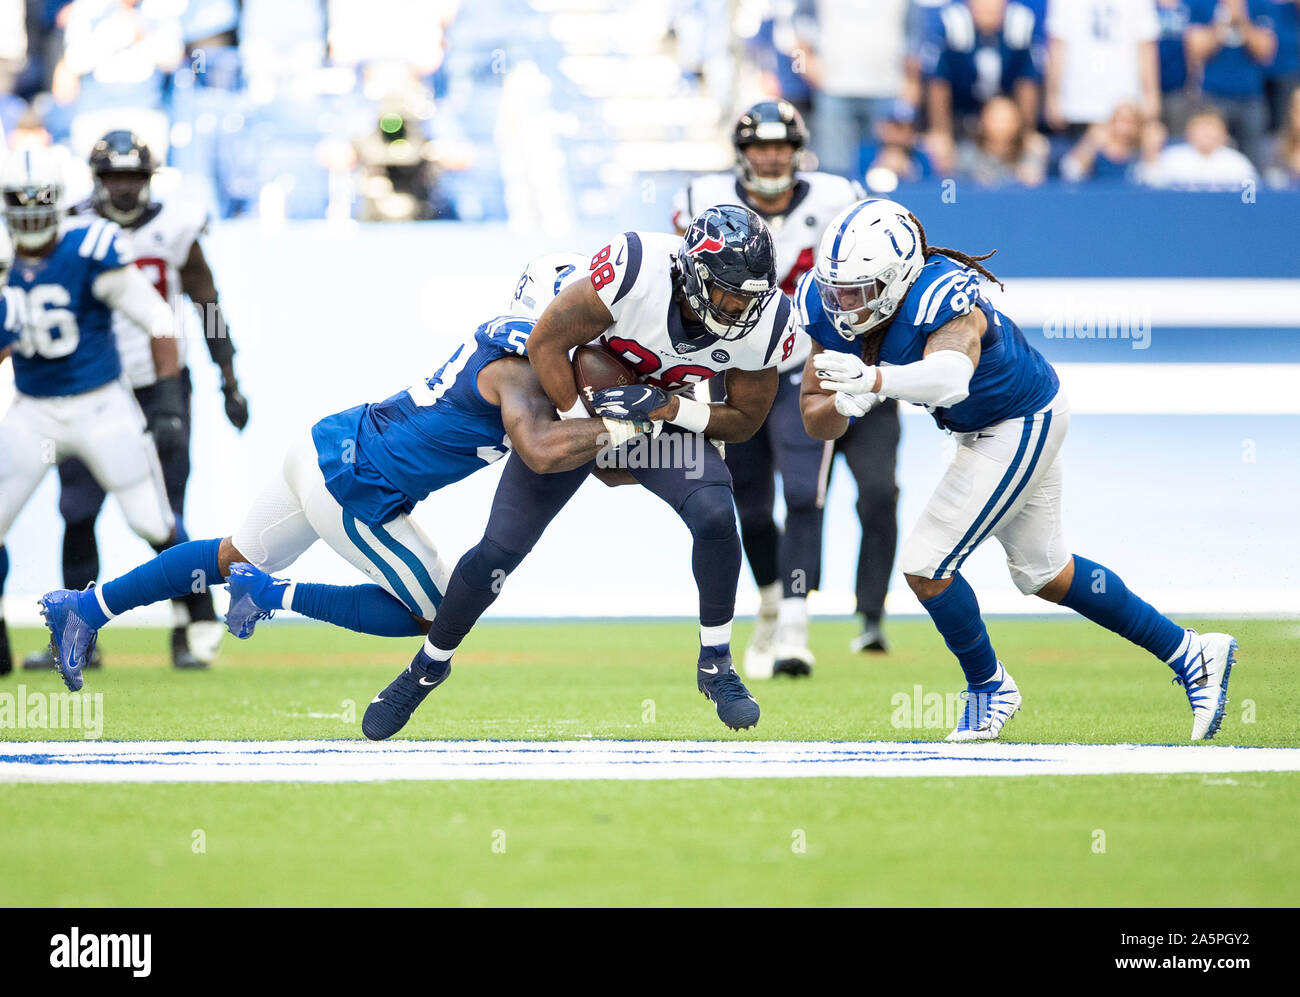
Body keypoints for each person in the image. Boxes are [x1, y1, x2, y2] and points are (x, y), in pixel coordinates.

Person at [37, 253, 652, 693]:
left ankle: (85, 610)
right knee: (435, 616)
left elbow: (580, 455)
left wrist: (626, 430)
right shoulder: (519, 368)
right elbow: (543, 451)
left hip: (327, 443)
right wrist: (634, 423)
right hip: (358, 488)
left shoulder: (510, 348)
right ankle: (269, 594)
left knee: (230, 553)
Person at [795, 197, 1237, 742]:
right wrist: (841, 405)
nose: (842, 304)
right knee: (1045, 574)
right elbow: (815, 418)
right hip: (987, 426)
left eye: (858, 291)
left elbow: (952, 376)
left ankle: (988, 687)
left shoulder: (941, 293)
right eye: (834, 288)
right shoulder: (822, 301)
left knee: (925, 564)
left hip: (1018, 418)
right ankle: (1192, 652)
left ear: (897, 277)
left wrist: (876, 381)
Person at [359, 205, 793, 740]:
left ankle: (716, 664)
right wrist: (583, 425)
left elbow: (746, 421)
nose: (739, 307)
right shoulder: (636, 270)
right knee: (499, 550)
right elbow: (546, 342)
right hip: (577, 406)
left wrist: (665, 410)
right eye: (728, 292)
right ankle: (425, 668)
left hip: (655, 418)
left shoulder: (768, 322)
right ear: (692, 272)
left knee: (712, 512)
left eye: (751, 295)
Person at [672, 100, 899, 677]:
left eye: (781, 147)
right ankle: (771, 604)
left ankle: (796, 624)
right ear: (741, 154)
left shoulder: (837, 198)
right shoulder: (702, 198)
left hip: (803, 363)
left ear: (798, 153)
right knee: (747, 504)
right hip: (732, 368)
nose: (771, 157)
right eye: (759, 147)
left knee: (803, 494)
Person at [21, 130, 249, 674]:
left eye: (133, 177)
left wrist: (229, 378)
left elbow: (207, 304)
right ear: (96, 180)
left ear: (149, 180)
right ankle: (78, 633)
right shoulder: (69, 224)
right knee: (77, 508)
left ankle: (189, 625)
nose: (124, 189)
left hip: (158, 386)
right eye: (113, 177)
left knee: (164, 511)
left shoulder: (176, 227)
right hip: (87, 389)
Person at [0, 146, 182, 677]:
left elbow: (158, 318)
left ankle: (197, 618)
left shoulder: (90, 246)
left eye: (40, 200)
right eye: (19, 201)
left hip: (100, 405)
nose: (30, 212)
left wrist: (167, 401)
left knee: (151, 518)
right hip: (32, 410)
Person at [1186, 0, 1278, 165]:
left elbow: (1265, 52)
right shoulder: (1201, 4)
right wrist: (1223, 18)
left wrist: (1241, 18)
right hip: (1212, 97)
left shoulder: (1260, 4)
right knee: (1208, 161)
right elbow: (1197, 50)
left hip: (1251, 96)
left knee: (1254, 164)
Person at [1146, 104, 1259, 187]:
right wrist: (1152, 155)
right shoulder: (1172, 158)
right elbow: (1152, 186)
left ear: (1224, 134)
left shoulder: (1237, 163)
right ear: (1188, 132)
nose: (1206, 133)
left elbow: (1251, 197)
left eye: (1211, 127)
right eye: (1201, 128)